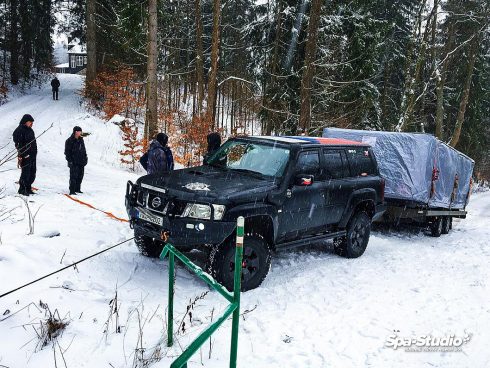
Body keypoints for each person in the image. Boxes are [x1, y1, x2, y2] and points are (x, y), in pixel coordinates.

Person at [12, 114, 37, 196]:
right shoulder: (19, 130)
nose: (31, 124)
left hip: (32, 155)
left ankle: (28, 188)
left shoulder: (30, 130)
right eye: (30, 122)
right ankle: (22, 189)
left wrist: (34, 152)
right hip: (25, 155)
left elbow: (33, 142)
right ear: (25, 121)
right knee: (25, 173)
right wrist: (24, 154)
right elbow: (18, 144)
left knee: (32, 173)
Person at [64, 126, 88, 195]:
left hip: (81, 161)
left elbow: (84, 150)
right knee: (73, 176)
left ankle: (77, 189)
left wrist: (85, 158)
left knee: (80, 176)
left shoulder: (81, 140)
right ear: (76, 132)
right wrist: (70, 161)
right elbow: (67, 152)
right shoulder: (69, 140)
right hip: (73, 162)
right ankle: (72, 190)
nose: (81, 133)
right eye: (80, 131)